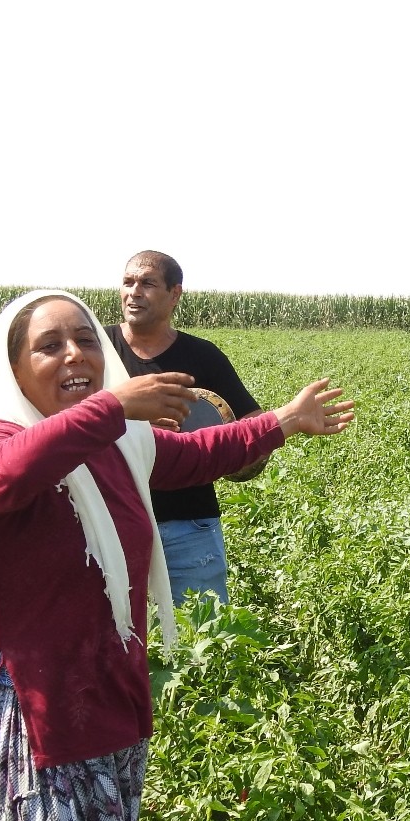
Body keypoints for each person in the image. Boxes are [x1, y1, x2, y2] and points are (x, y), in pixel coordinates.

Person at [0, 289, 354, 821]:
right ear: (13, 367)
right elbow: (1, 482)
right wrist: (112, 408)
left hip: (107, 700)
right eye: (49, 345)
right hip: (26, 721)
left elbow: (196, 455)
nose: (75, 355)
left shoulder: (116, 445)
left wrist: (281, 423)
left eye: (84, 340)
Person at [103, 250, 262, 605]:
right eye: (128, 282)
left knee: (202, 636)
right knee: (111, 639)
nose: (134, 292)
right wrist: (133, 422)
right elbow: (62, 422)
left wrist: (237, 446)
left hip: (189, 525)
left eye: (147, 283)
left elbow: (250, 422)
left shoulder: (203, 356)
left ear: (175, 294)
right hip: (107, 519)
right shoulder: (96, 348)